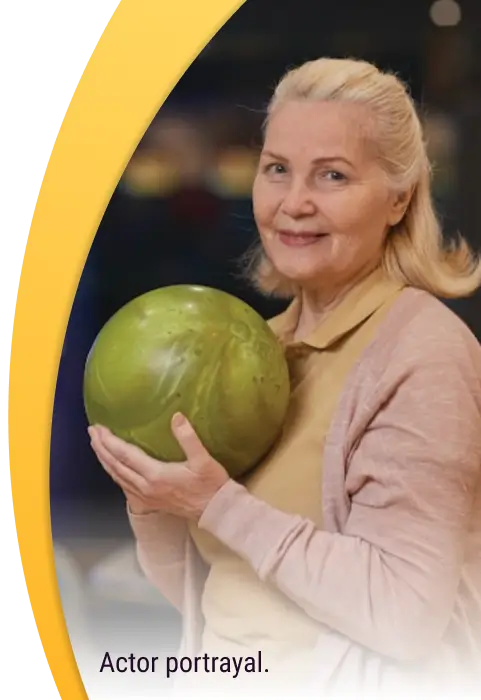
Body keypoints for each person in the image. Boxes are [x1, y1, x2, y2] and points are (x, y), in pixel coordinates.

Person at [88, 57, 481, 698]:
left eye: (333, 175)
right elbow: (215, 592)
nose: (294, 203)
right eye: (277, 170)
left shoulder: (423, 353)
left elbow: (403, 615)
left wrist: (216, 503)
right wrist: (154, 496)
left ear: (399, 197)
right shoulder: (258, 350)